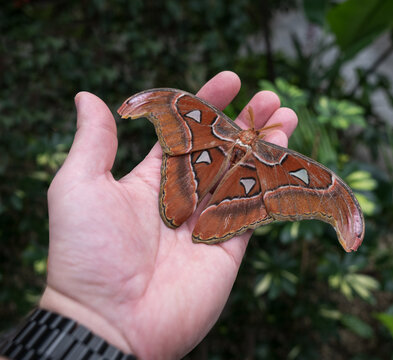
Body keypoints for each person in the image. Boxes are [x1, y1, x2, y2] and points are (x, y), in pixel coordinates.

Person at [0, 71, 298, 360]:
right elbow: (172, 102)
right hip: (204, 164)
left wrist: (84, 322)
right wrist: (88, 315)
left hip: (232, 180)